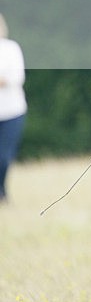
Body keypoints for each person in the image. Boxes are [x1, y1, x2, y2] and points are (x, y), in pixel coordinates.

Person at [0, 14, 27, 202]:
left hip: (12, 112)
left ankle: (2, 191)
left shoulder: (10, 49)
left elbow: (16, 78)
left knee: (3, 157)